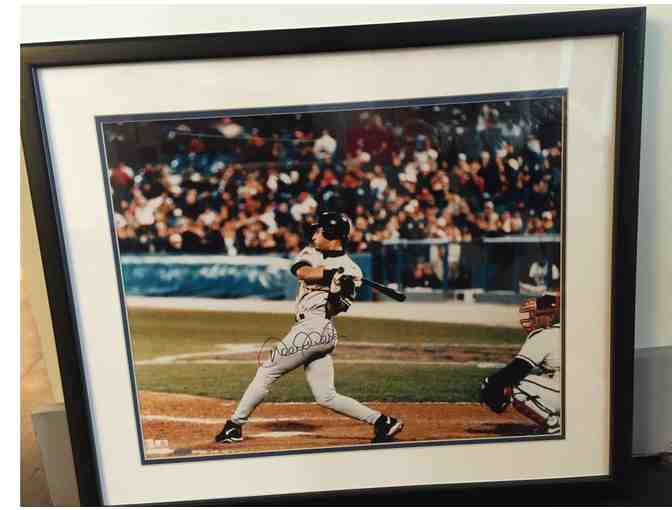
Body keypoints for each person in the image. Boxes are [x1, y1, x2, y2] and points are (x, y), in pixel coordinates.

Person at [214, 212, 404, 444]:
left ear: (332, 233)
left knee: (267, 371)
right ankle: (383, 421)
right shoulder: (311, 253)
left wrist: (338, 291)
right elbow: (302, 272)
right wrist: (330, 274)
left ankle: (234, 426)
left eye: (319, 230)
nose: (314, 235)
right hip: (313, 330)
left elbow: (335, 309)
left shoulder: (352, 271)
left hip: (317, 327)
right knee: (326, 396)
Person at [479, 293, 561, 434]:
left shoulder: (545, 335)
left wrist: (491, 382)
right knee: (547, 376)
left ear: (551, 316)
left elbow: (518, 369)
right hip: (584, 397)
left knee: (516, 384)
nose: (534, 319)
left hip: (565, 396)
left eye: (538, 315)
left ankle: (554, 424)